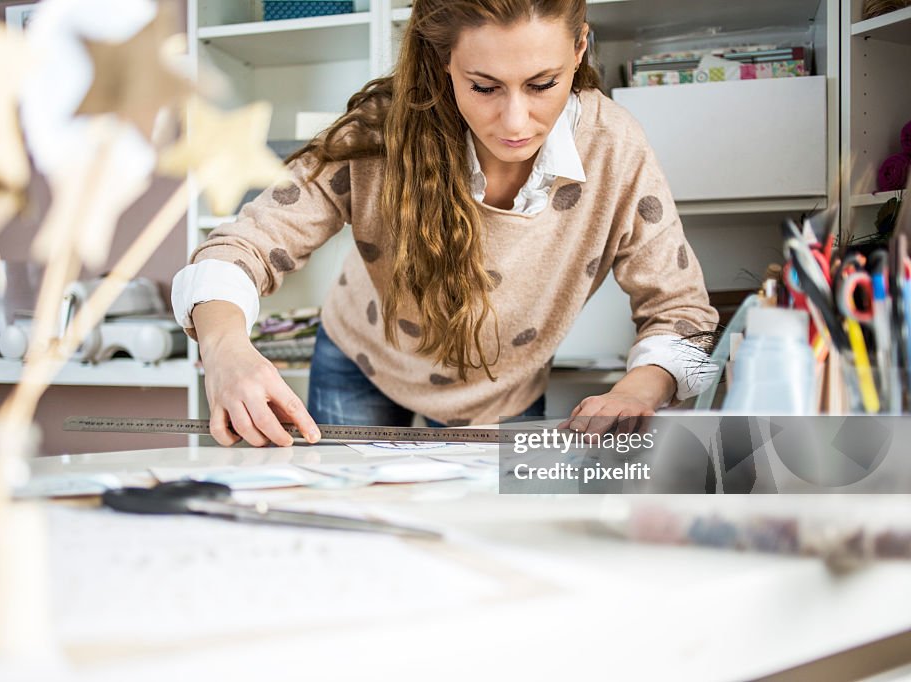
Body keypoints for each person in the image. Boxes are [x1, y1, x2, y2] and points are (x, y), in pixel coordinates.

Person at [171, 0, 719, 448]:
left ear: (579, 50)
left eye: (542, 83)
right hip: (361, 356)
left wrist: (640, 390)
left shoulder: (615, 148)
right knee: (350, 532)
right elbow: (244, 245)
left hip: (500, 394)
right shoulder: (378, 133)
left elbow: (684, 314)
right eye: (484, 86)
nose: (515, 121)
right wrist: (223, 348)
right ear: (443, 63)